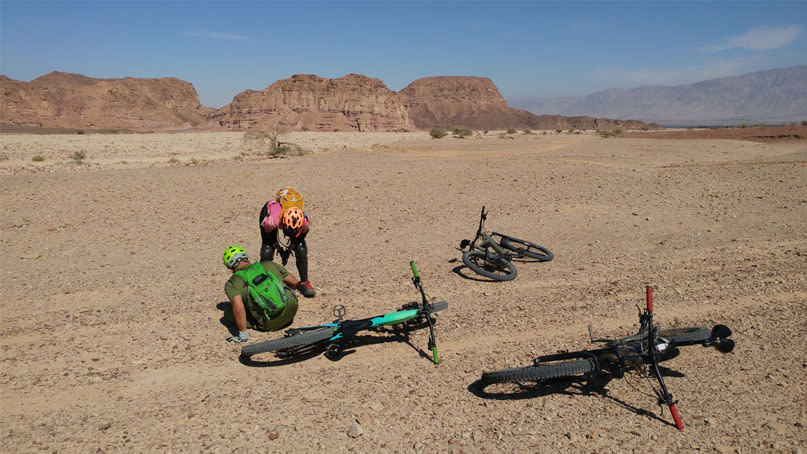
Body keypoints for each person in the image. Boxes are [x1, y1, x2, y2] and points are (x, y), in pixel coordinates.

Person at [221, 245, 302, 343]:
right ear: (246, 257)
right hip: (292, 309)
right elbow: (294, 282)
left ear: (230, 266)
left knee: (228, 314)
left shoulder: (232, 283)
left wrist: (243, 335)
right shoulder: (268, 264)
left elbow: (238, 307)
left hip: (272, 323)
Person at [259, 199, 315, 297]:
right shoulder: (271, 222)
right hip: (270, 211)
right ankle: (263, 282)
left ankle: (304, 282)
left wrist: (289, 250)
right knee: (267, 250)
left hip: (290, 221)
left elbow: (300, 237)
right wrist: (280, 251)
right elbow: (269, 238)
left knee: (301, 248)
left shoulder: (304, 223)